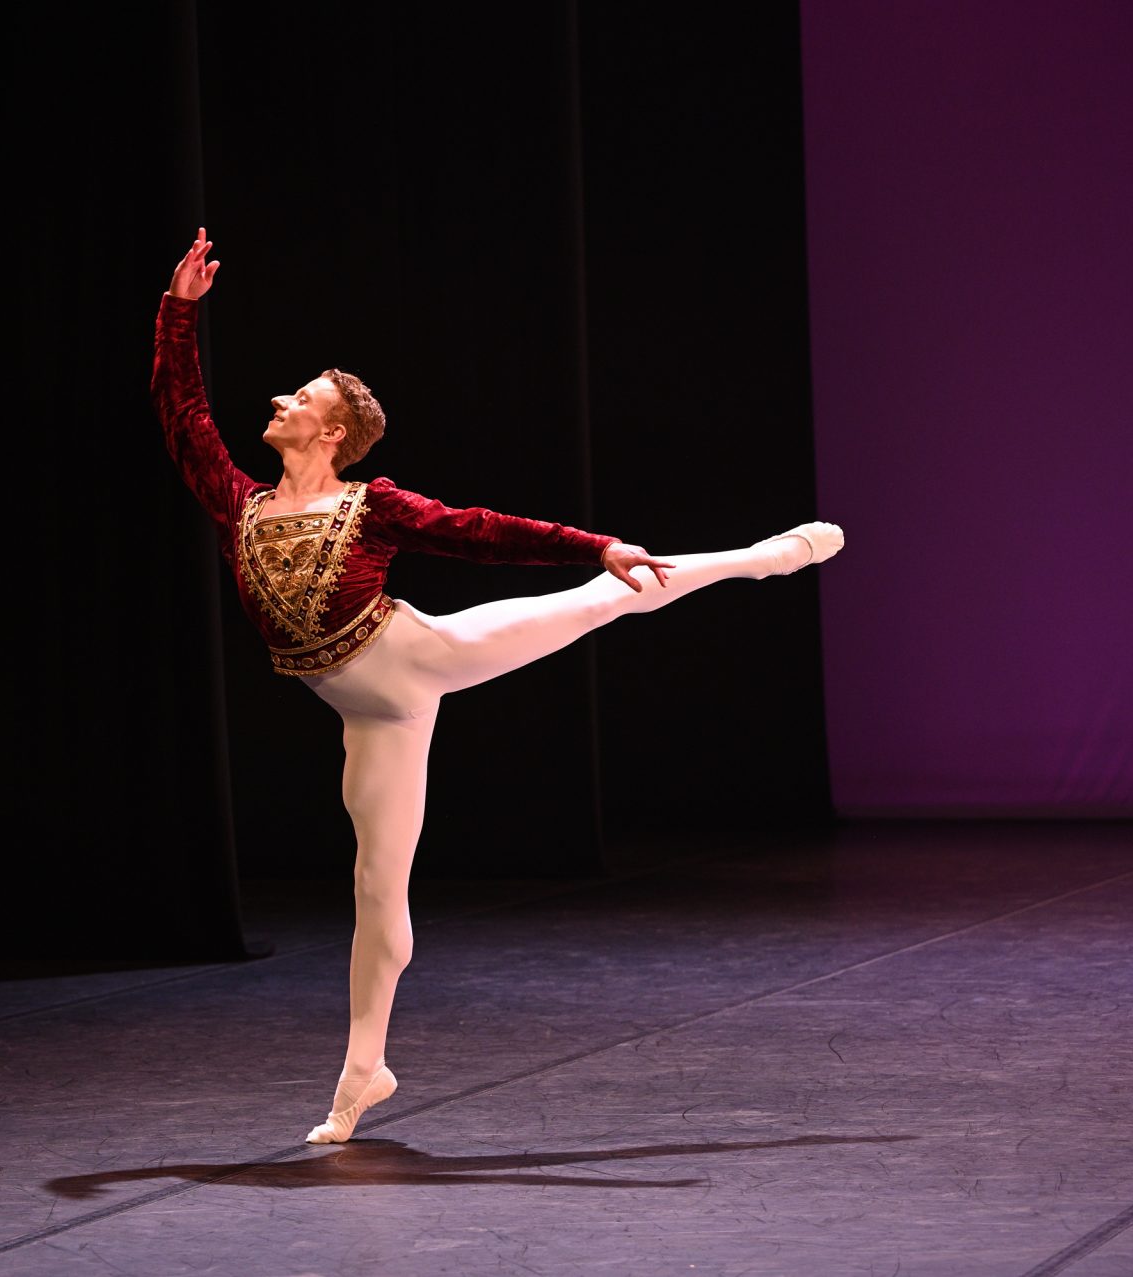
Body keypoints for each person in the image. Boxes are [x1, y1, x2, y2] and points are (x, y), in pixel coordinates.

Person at [151, 228, 842, 1145]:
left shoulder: (372, 507)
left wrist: (592, 543)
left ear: (332, 432)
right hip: (368, 714)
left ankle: (757, 559)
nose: (277, 401)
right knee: (376, 891)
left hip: (418, 657)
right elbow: (180, 412)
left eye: (300, 397)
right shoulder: (238, 502)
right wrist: (180, 310)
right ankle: (366, 1068)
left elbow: (482, 530)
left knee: (604, 599)